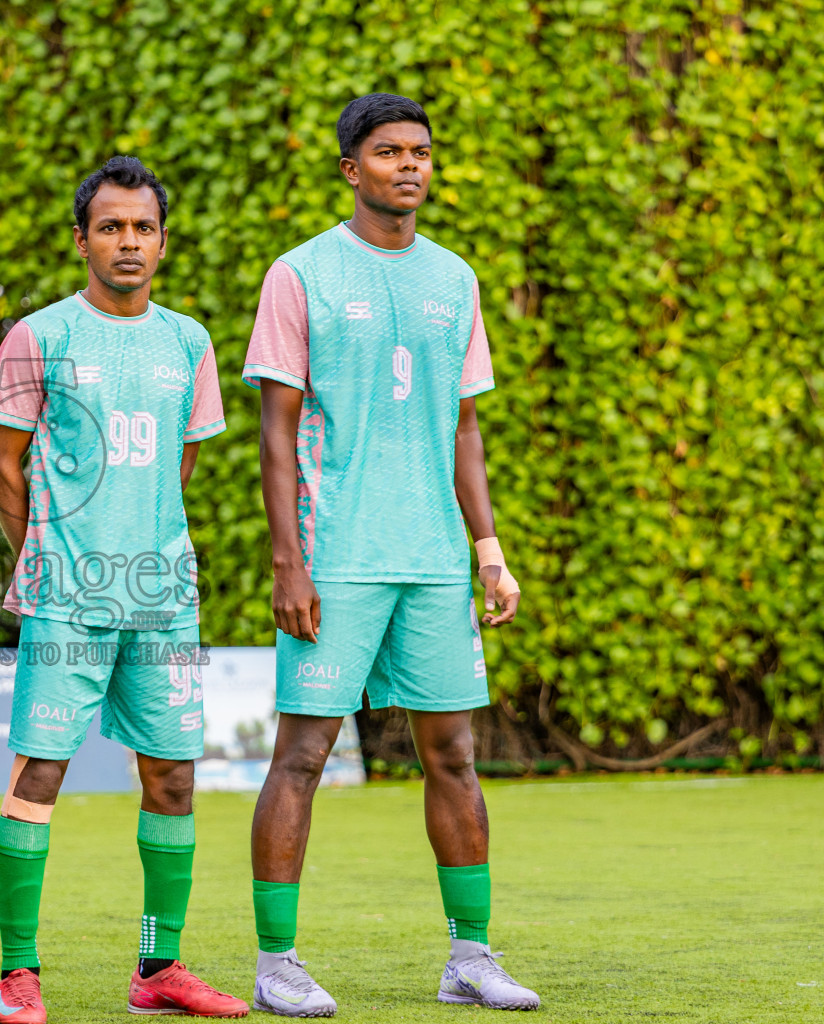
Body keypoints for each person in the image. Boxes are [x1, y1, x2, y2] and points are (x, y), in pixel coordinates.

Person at [242, 92, 538, 1014]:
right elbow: (277, 434)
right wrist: (289, 563)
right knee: (302, 754)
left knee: (454, 753)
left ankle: (471, 958)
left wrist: (488, 549)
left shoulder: (455, 279)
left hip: (436, 560)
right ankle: (276, 962)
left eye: (420, 151)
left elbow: (463, 429)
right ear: (350, 169)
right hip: (336, 557)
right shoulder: (302, 274)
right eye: (387, 152)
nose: (408, 166)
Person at [0, 155, 247, 1023]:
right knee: (40, 774)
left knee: (172, 777)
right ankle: (19, 973)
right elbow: (1, 461)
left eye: (142, 228)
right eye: (111, 227)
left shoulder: (189, 341)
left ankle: (159, 970)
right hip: (67, 595)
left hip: (164, 594)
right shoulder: (39, 334)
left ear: (162, 242)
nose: (127, 242)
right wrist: (46, 557)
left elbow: (182, 462)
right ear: (81, 238)